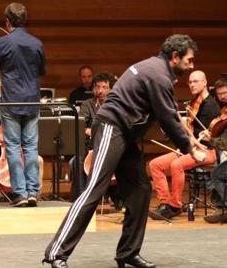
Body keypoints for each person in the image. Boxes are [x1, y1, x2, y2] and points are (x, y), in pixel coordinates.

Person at [43, 34, 208, 268]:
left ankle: (128, 253)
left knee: (140, 190)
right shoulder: (158, 75)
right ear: (175, 56)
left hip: (124, 133)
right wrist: (191, 149)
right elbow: (168, 119)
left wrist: (192, 140)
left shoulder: (158, 70)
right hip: (112, 127)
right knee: (94, 189)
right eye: (189, 60)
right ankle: (56, 252)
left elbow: (171, 113)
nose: (191, 65)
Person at [0, 2, 46, 207]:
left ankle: (19, 194)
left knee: (13, 147)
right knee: (30, 147)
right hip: (31, 101)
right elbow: (41, 71)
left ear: (7, 21)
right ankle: (32, 192)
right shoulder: (36, 43)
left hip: (11, 101)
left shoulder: (4, 42)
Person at [149, 70, 220, 220]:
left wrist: (189, 139)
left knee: (176, 165)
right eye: (190, 82)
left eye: (195, 81)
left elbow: (209, 138)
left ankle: (175, 206)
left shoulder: (211, 107)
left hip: (207, 151)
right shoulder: (195, 103)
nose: (192, 85)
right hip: (191, 148)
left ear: (205, 82)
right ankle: (164, 203)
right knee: (155, 164)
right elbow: (192, 132)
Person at [70, 72, 117, 198]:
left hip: (111, 146)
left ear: (111, 89)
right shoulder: (87, 104)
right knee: (78, 159)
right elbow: (80, 125)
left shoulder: (115, 105)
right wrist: (90, 131)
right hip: (90, 146)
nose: (100, 91)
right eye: (97, 87)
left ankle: (118, 198)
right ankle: (81, 195)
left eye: (104, 87)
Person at [204, 79, 227, 223]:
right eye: (220, 94)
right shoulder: (224, 110)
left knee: (217, 174)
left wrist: (210, 140)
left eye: (225, 92)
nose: (223, 96)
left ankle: (223, 206)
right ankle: (222, 207)